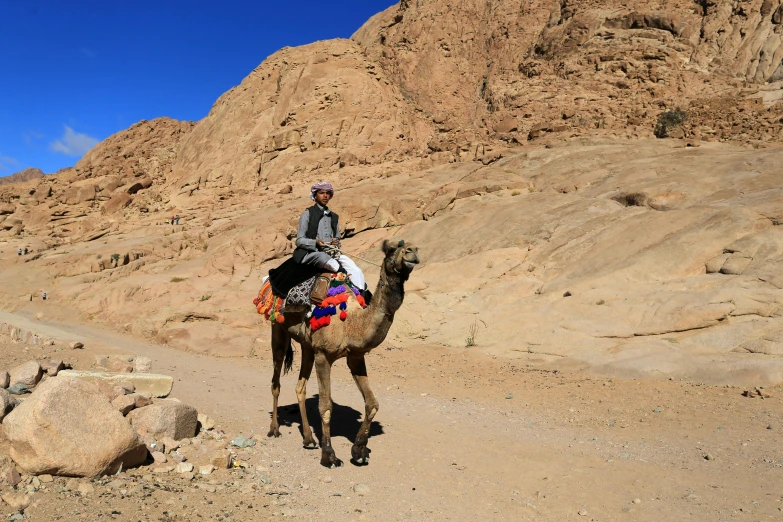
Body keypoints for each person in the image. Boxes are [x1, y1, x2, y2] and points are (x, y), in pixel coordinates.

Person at [292, 182, 367, 295]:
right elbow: (299, 240)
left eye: (327, 193)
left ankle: (361, 294)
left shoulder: (334, 217)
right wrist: (315, 242)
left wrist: (336, 242)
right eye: (321, 193)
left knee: (355, 269)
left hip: (332, 253)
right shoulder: (307, 214)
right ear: (315, 196)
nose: (325, 195)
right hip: (312, 253)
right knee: (332, 263)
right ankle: (343, 281)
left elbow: (337, 239)